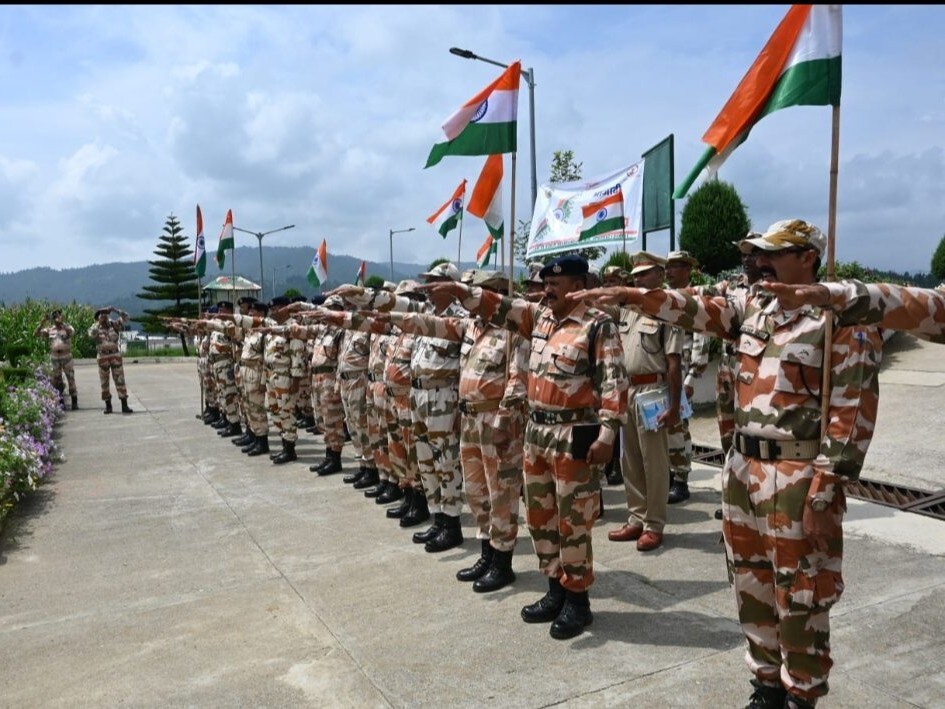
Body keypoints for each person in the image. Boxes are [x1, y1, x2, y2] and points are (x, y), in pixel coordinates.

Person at [568, 219, 883, 707]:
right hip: (743, 471)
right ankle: (765, 685)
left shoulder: (839, 318)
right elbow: (692, 307)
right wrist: (631, 296)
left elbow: (852, 412)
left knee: (800, 591)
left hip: (798, 477)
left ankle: (801, 693)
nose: (759, 262)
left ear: (808, 258)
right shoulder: (752, 308)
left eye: (772, 254)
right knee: (749, 582)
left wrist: (827, 489)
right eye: (757, 254)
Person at [421, 253, 628, 640]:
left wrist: (608, 434)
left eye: (555, 284)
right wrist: (460, 292)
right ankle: (554, 589)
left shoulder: (598, 325)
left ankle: (578, 601)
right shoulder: (540, 318)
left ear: (578, 286)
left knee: (572, 523)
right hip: (536, 434)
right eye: (545, 284)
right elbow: (499, 305)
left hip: (573, 434)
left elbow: (614, 383)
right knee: (540, 518)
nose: (547, 290)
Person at [380, 269, 528, 590]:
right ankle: (487, 553)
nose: (471, 299)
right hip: (470, 418)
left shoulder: (513, 329)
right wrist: (376, 312)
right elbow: (429, 327)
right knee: (477, 493)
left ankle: (502, 562)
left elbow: (518, 379)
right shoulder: (472, 327)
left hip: (496, 421)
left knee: (500, 494)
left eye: (477, 293)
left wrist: (506, 419)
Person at [606, 252, 682, 553]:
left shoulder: (668, 310)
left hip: (653, 391)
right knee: (631, 460)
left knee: (655, 463)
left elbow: (674, 363)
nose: (638, 278)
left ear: (660, 274)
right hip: (629, 390)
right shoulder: (628, 310)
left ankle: (654, 524)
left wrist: (674, 406)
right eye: (635, 274)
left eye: (645, 273)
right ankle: (636, 517)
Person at [663, 250, 711, 505]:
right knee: (665, 427)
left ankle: (681, 479)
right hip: (664, 373)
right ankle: (670, 474)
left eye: (675, 266)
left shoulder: (694, 300)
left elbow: (702, 341)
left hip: (682, 374)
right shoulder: (665, 298)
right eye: (668, 266)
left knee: (679, 429)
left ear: (688, 269)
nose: (669, 271)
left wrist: (692, 376)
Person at [87, 306, 133, 414]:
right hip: (103, 357)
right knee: (104, 382)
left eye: (105, 313)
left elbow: (126, 317)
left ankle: (124, 405)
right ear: (97, 317)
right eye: (101, 314)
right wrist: (98, 323)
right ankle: (108, 406)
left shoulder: (113, 324)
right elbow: (91, 335)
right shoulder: (95, 327)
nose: (103, 315)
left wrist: (114, 310)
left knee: (120, 380)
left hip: (115, 356)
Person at [35, 309, 78, 410]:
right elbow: (36, 334)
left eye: (58, 316)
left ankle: (74, 401)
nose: (57, 318)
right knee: (57, 380)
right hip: (55, 358)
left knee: (70, 378)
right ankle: (61, 402)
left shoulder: (67, 327)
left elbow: (72, 332)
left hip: (66, 357)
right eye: (55, 317)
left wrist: (62, 324)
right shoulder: (50, 330)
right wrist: (42, 322)